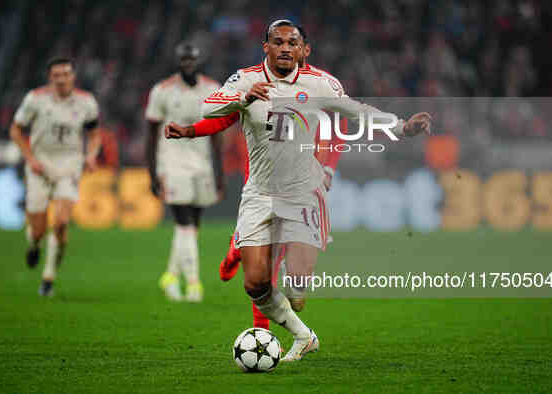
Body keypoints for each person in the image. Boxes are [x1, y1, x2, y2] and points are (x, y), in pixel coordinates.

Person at [166, 20, 431, 361]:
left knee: (297, 292)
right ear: (266, 47)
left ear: (305, 50)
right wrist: (241, 99)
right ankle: (304, 337)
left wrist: (402, 127)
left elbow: (356, 112)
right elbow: (208, 108)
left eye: (293, 42)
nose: (286, 48)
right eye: (278, 42)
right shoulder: (246, 79)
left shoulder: (320, 84)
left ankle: (279, 287)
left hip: (304, 195)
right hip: (259, 194)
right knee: (255, 284)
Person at [10, 57, 101, 296]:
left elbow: (94, 134)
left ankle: (48, 277)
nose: (61, 79)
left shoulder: (86, 102)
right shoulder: (35, 99)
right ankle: (34, 243)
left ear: (73, 76)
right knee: (38, 229)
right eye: (56, 75)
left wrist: (91, 155)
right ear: (50, 78)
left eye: (66, 74)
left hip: (69, 166)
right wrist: (30, 159)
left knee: (60, 224)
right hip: (40, 166)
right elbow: (16, 130)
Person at [145, 43, 225, 302]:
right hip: (172, 161)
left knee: (192, 226)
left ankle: (170, 275)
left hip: (201, 163)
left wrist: (219, 172)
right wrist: (152, 172)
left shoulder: (213, 89)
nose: (188, 63)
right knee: (184, 223)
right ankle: (193, 285)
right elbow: (150, 134)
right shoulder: (162, 91)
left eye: (192, 59)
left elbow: (217, 133)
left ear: (199, 60)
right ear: (178, 61)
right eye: (184, 59)